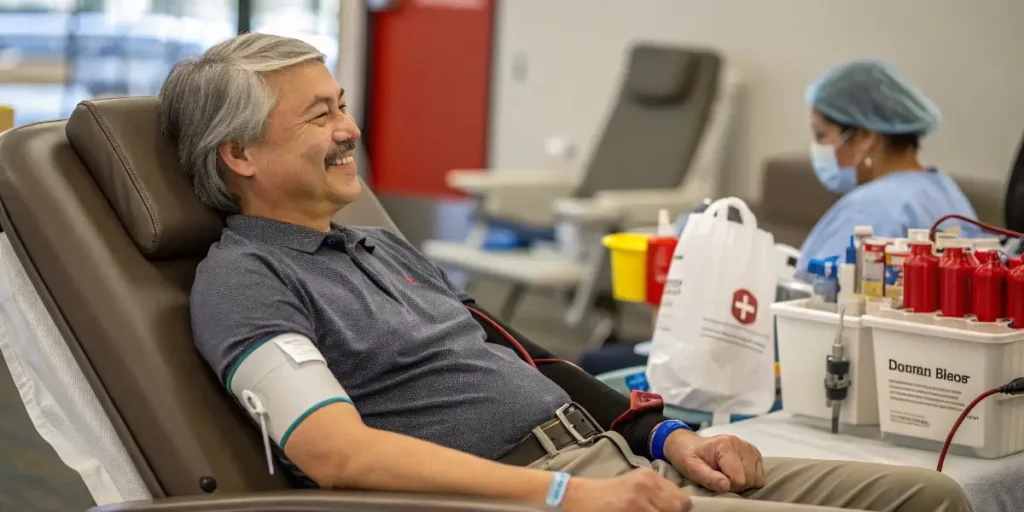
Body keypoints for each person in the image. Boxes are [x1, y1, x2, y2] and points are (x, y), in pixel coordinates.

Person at [161, 33, 971, 512]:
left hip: (613, 460)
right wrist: (572, 497)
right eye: (319, 115)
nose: (350, 127)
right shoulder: (246, 281)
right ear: (239, 155)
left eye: (341, 102)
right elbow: (336, 454)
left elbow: (522, 357)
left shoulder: (372, 242)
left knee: (936, 498)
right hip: (539, 493)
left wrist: (666, 435)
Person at [798, 59, 980, 276]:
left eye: (821, 135)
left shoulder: (872, 210)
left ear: (865, 137)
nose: (818, 148)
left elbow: (816, 294)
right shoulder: (944, 190)